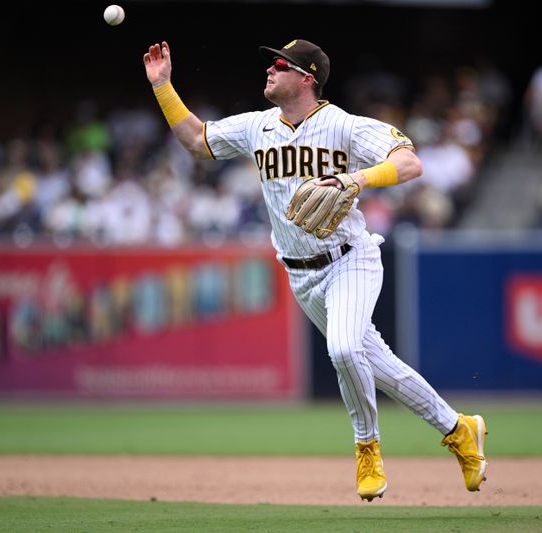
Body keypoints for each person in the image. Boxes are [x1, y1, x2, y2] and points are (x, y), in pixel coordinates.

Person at [142, 38, 487, 501]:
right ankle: (460, 429)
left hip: (350, 258)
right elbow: (196, 141)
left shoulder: (342, 125)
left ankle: (367, 447)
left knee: (345, 350)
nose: (269, 70)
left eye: (279, 64)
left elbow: (409, 162)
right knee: (378, 365)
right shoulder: (256, 127)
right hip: (301, 275)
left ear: (307, 77)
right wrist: (163, 86)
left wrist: (356, 177)